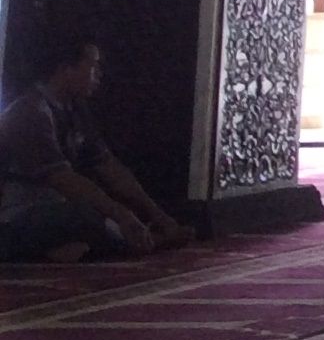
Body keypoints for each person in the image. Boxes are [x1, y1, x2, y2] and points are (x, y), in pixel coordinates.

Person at [0, 36, 196, 262]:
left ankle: (78, 248)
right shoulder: (30, 112)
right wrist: (121, 215)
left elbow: (109, 167)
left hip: (55, 209)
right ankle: (134, 242)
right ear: (66, 69)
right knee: (86, 215)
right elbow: (62, 179)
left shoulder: (75, 111)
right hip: (16, 216)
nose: (98, 75)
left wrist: (159, 215)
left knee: (100, 210)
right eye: (93, 66)